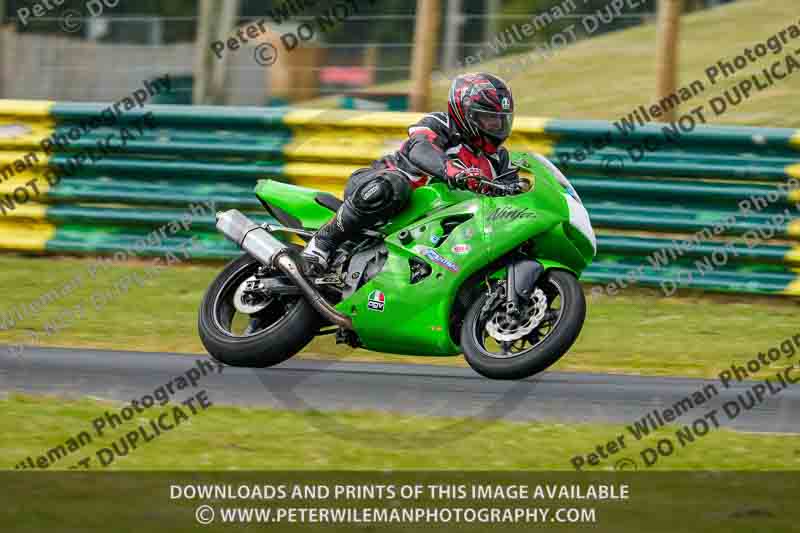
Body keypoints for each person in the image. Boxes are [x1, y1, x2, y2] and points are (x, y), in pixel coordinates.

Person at [302, 72, 521, 273]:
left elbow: (515, 198)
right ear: (466, 113)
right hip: (376, 187)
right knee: (394, 185)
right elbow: (420, 148)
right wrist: (452, 170)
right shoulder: (441, 124)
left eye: (501, 119)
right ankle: (323, 242)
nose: (497, 126)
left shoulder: (500, 160)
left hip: (428, 226)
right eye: (489, 119)